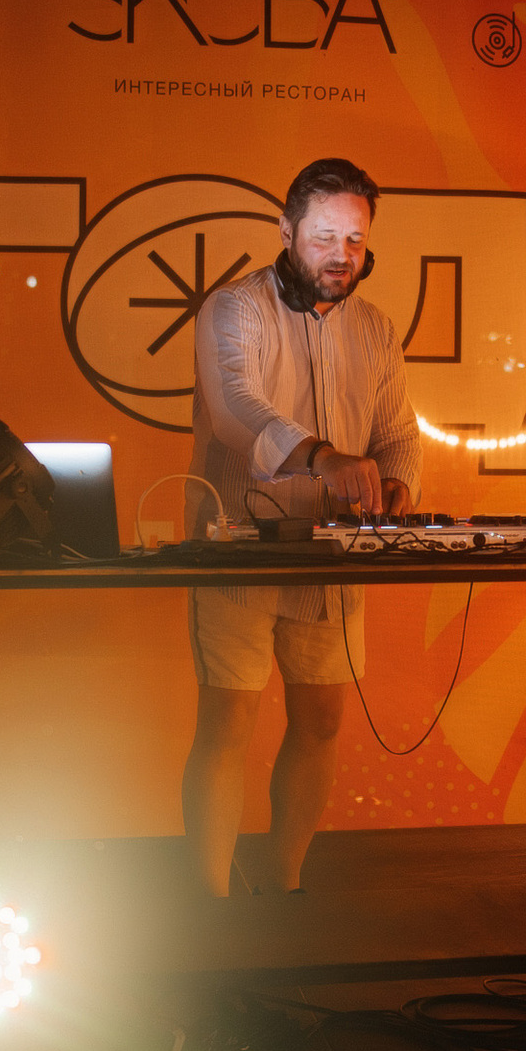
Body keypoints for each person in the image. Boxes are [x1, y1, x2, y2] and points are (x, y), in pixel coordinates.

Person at [182, 157, 420, 897]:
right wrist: (322, 456)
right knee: (228, 724)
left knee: (319, 722)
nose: (341, 255)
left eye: (355, 239)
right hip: (238, 549)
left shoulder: (376, 328)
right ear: (285, 231)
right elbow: (235, 410)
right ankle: (211, 902)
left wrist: (397, 483)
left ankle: (283, 884)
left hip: (331, 556)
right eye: (324, 237)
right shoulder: (234, 308)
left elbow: (399, 433)